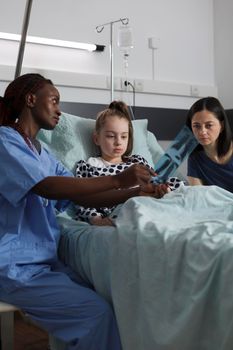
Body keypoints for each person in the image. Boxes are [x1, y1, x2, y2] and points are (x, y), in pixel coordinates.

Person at [0, 73, 170, 350]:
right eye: (54, 101)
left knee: (110, 295)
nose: (59, 110)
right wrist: (119, 179)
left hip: (44, 262)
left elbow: (79, 190)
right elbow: (47, 187)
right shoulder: (5, 141)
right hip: (14, 266)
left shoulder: (42, 153)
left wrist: (135, 192)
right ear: (31, 100)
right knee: (96, 315)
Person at [75, 100, 180, 226]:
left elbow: (155, 180)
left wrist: (162, 189)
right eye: (110, 136)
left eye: (124, 136)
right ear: (97, 139)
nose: (118, 142)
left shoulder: (138, 161)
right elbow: (83, 198)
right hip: (123, 210)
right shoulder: (89, 166)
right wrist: (97, 220)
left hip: (151, 203)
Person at [186, 96, 233, 193]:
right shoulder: (194, 159)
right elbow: (198, 196)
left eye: (209, 125)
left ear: (222, 126)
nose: (202, 132)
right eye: (196, 126)